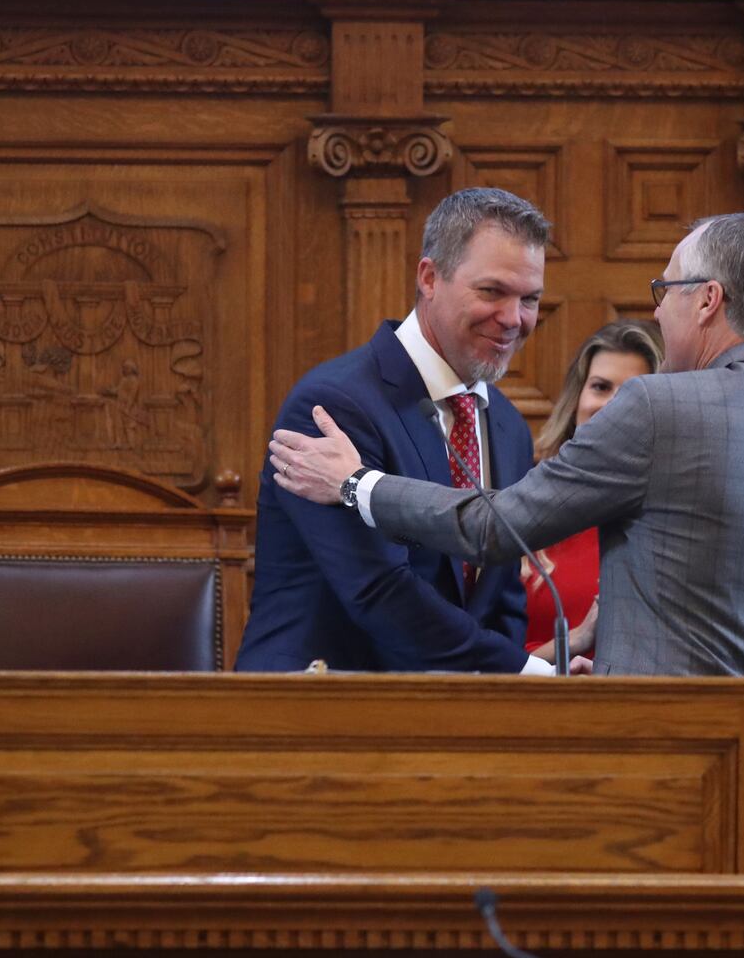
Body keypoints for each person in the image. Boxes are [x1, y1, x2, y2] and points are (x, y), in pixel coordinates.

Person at [270, 212, 744, 720]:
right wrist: (538, 666)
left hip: (660, 745)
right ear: (429, 278)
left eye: (664, 292)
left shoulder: (650, 407)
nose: (657, 313)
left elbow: (494, 529)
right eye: (493, 291)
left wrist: (356, 484)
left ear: (706, 301)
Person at [236, 187, 551, 675]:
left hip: (455, 719)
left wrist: (501, 700)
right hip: (320, 711)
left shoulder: (507, 425)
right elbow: (377, 590)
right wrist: (524, 672)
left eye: (529, 299)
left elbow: (501, 600)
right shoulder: (332, 406)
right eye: (492, 292)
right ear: (429, 277)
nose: (514, 319)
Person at [522, 319, 664, 664]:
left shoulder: (676, 517)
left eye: (633, 393)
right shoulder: (525, 504)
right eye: (600, 387)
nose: (613, 405)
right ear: (576, 402)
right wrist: (574, 642)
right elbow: (487, 659)